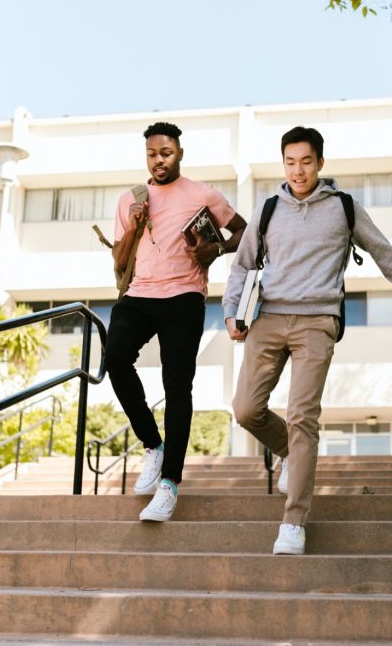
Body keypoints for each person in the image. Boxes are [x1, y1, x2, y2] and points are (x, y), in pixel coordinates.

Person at [222, 126, 392, 555]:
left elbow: (384, 251)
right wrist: (230, 311)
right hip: (267, 318)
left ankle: (293, 521)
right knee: (245, 410)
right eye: (290, 162)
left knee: (302, 417)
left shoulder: (344, 208)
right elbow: (241, 267)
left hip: (318, 321)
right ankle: (291, 456)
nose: (298, 171)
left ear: (320, 163)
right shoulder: (267, 210)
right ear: (284, 164)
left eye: (306, 161)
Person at [105, 121, 246, 521]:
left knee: (177, 384)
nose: (159, 160)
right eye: (152, 154)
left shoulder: (203, 193)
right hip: (138, 295)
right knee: (115, 360)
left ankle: (168, 485)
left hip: (184, 296)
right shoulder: (130, 199)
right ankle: (154, 445)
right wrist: (133, 224)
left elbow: (244, 232)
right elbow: (118, 262)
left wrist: (214, 250)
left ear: (180, 153)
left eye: (166, 153)